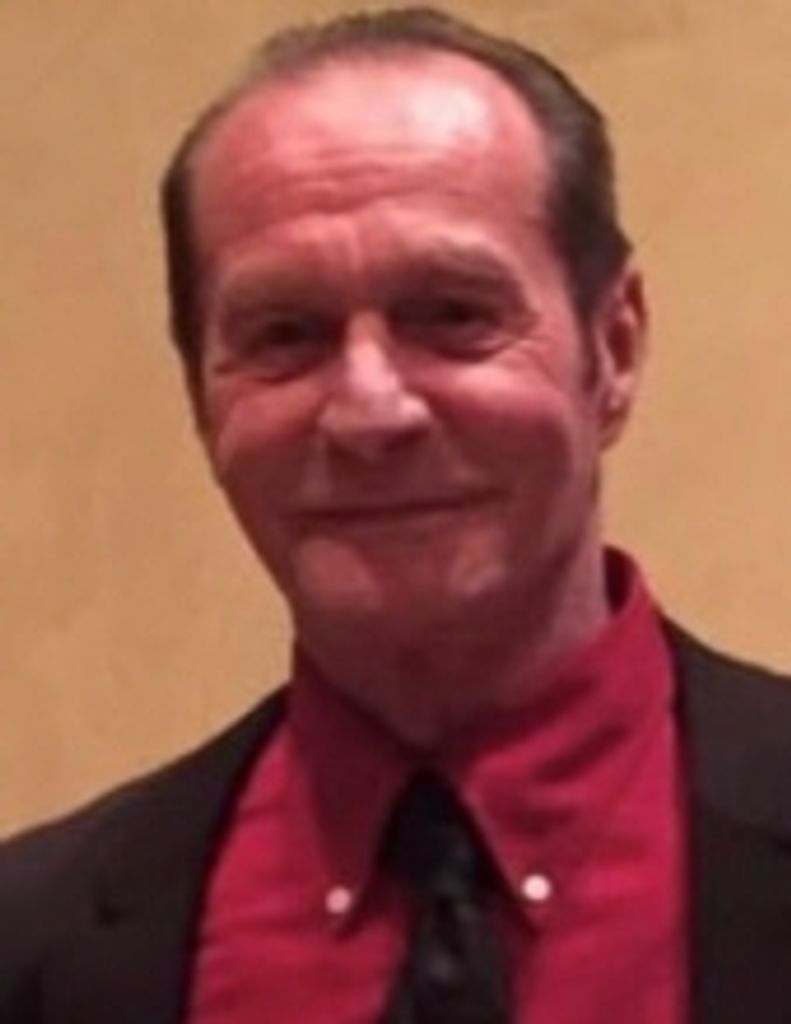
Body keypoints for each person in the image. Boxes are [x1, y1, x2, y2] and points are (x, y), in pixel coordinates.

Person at [2, 7, 791, 1023]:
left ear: (614, 349)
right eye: (285, 334)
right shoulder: (34, 942)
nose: (370, 410)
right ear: (201, 395)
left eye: (452, 314)